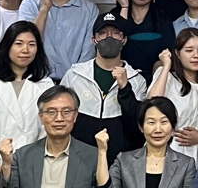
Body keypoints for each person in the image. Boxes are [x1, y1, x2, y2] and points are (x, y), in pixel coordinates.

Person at [60, 12, 148, 153]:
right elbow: (61, 115)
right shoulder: (75, 74)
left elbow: (137, 125)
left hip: (120, 157)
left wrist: (125, 88)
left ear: (124, 40)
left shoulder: (137, 80)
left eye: (116, 33)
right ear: (94, 40)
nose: (109, 37)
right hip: (79, 154)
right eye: (102, 33)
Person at [0, 20, 51, 164]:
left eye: (31, 44)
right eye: (19, 43)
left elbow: (46, 130)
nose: (25, 50)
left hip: (31, 163)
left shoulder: (45, 84)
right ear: (8, 46)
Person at [146, 28, 198, 163]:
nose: (196, 55)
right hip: (166, 150)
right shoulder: (167, 77)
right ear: (178, 54)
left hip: (196, 154)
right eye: (189, 50)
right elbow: (151, 104)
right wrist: (166, 66)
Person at [110, 0, 173, 75]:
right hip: (120, 75)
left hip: (153, 79)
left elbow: (168, 53)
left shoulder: (162, 18)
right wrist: (124, 8)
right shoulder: (115, 15)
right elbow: (113, 48)